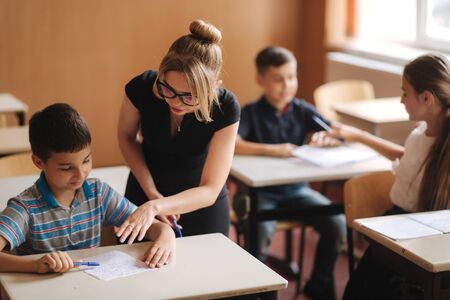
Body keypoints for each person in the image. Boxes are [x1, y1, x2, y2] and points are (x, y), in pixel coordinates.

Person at [322, 53, 449, 299]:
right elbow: (409, 157)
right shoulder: (423, 137)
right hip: (412, 233)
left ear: (426, 98)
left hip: (409, 235)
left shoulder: (432, 144)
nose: (401, 100)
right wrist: (360, 136)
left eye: (405, 93)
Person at [0, 103, 175, 273]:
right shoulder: (25, 208)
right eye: (66, 168)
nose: (80, 174)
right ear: (39, 162)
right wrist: (34, 266)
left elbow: (158, 228)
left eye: (86, 161)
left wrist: (165, 236)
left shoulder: (98, 193)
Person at [233, 46, 346, 299]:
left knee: (337, 225)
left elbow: (336, 131)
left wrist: (326, 137)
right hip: (259, 194)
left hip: (297, 192)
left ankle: (317, 288)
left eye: (291, 77)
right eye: (278, 79)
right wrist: (274, 150)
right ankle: (255, 292)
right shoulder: (250, 112)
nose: (287, 85)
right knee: (258, 233)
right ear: (260, 80)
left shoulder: (301, 109)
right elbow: (235, 144)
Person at [116, 19, 240, 242]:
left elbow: (210, 189)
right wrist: (152, 196)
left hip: (199, 198)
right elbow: (126, 137)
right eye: (168, 89)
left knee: (207, 271)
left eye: (189, 96)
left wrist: (157, 205)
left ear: (214, 88)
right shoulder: (142, 88)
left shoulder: (226, 107)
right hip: (145, 185)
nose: (176, 101)